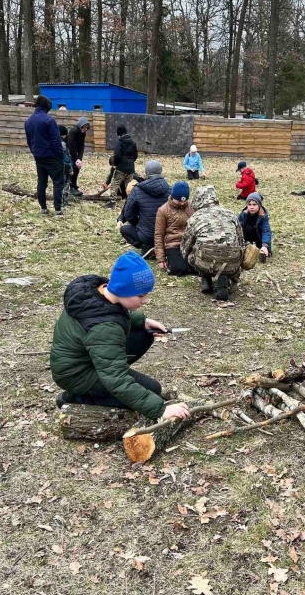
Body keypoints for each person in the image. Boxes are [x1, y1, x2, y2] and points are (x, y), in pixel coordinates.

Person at [51, 251, 190, 421]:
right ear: (122, 290)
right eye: (141, 295)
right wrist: (160, 410)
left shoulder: (97, 294)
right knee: (146, 393)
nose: (146, 301)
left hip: (86, 361)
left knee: (146, 351)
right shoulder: (104, 329)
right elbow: (116, 379)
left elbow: (109, 312)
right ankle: (73, 398)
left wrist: (143, 321)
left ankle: (108, 370)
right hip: (76, 375)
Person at [181, 185, 244, 301]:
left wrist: (186, 257)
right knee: (227, 253)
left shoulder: (196, 217)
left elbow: (186, 243)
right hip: (232, 262)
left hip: (205, 262)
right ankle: (224, 278)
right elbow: (241, 240)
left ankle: (205, 277)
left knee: (194, 253)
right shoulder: (231, 214)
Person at [24, 94, 65, 216]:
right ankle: (58, 209)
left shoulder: (28, 121)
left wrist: (35, 152)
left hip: (38, 156)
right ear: (46, 106)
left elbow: (29, 141)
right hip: (52, 157)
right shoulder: (49, 120)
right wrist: (60, 156)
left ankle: (43, 208)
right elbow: (56, 141)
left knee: (42, 182)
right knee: (58, 182)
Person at [119, 160, 170, 256]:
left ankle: (147, 247)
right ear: (161, 172)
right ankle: (159, 247)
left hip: (146, 236)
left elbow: (128, 215)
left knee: (124, 230)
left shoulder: (137, 190)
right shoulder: (170, 190)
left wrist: (138, 225)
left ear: (146, 173)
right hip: (165, 235)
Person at [154, 181, 194, 276]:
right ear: (173, 197)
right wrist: (161, 259)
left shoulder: (191, 206)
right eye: (179, 200)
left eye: (185, 200)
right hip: (173, 243)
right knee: (178, 269)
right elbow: (159, 234)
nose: (182, 203)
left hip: (190, 242)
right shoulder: (163, 210)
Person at [107, 124, 138, 208]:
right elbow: (135, 155)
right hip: (131, 167)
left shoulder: (119, 142)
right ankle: (130, 202)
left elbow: (117, 155)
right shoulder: (133, 142)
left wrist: (116, 164)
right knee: (130, 185)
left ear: (118, 133)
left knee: (115, 184)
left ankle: (112, 202)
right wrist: (131, 162)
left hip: (121, 167)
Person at [238, 192, 272, 259]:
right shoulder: (243, 215)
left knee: (263, 248)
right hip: (247, 237)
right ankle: (245, 246)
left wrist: (265, 245)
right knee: (247, 228)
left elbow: (266, 231)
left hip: (258, 237)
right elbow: (238, 227)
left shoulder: (263, 216)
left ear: (259, 205)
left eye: (254, 204)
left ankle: (264, 251)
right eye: (249, 204)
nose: (252, 207)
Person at [67, 116, 91, 196]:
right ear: (81, 125)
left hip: (76, 154)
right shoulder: (73, 131)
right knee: (72, 169)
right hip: (70, 153)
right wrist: (75, 158)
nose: (85, 129)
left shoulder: (83, 133)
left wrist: (79, 158)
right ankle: (71, 187)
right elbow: (71, 146)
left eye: (87, 128)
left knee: (77, 168)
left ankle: (74, 185)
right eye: (84, 127)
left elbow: (82, 146)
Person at [58, 124, 74, 208]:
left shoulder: (55, 141)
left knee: (59, 184)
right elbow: (66, 158)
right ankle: (64, 202)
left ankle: (61, 201)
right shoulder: (63, 144)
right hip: (65, 167)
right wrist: (70, 169)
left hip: (58, 167)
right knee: (65, 184)